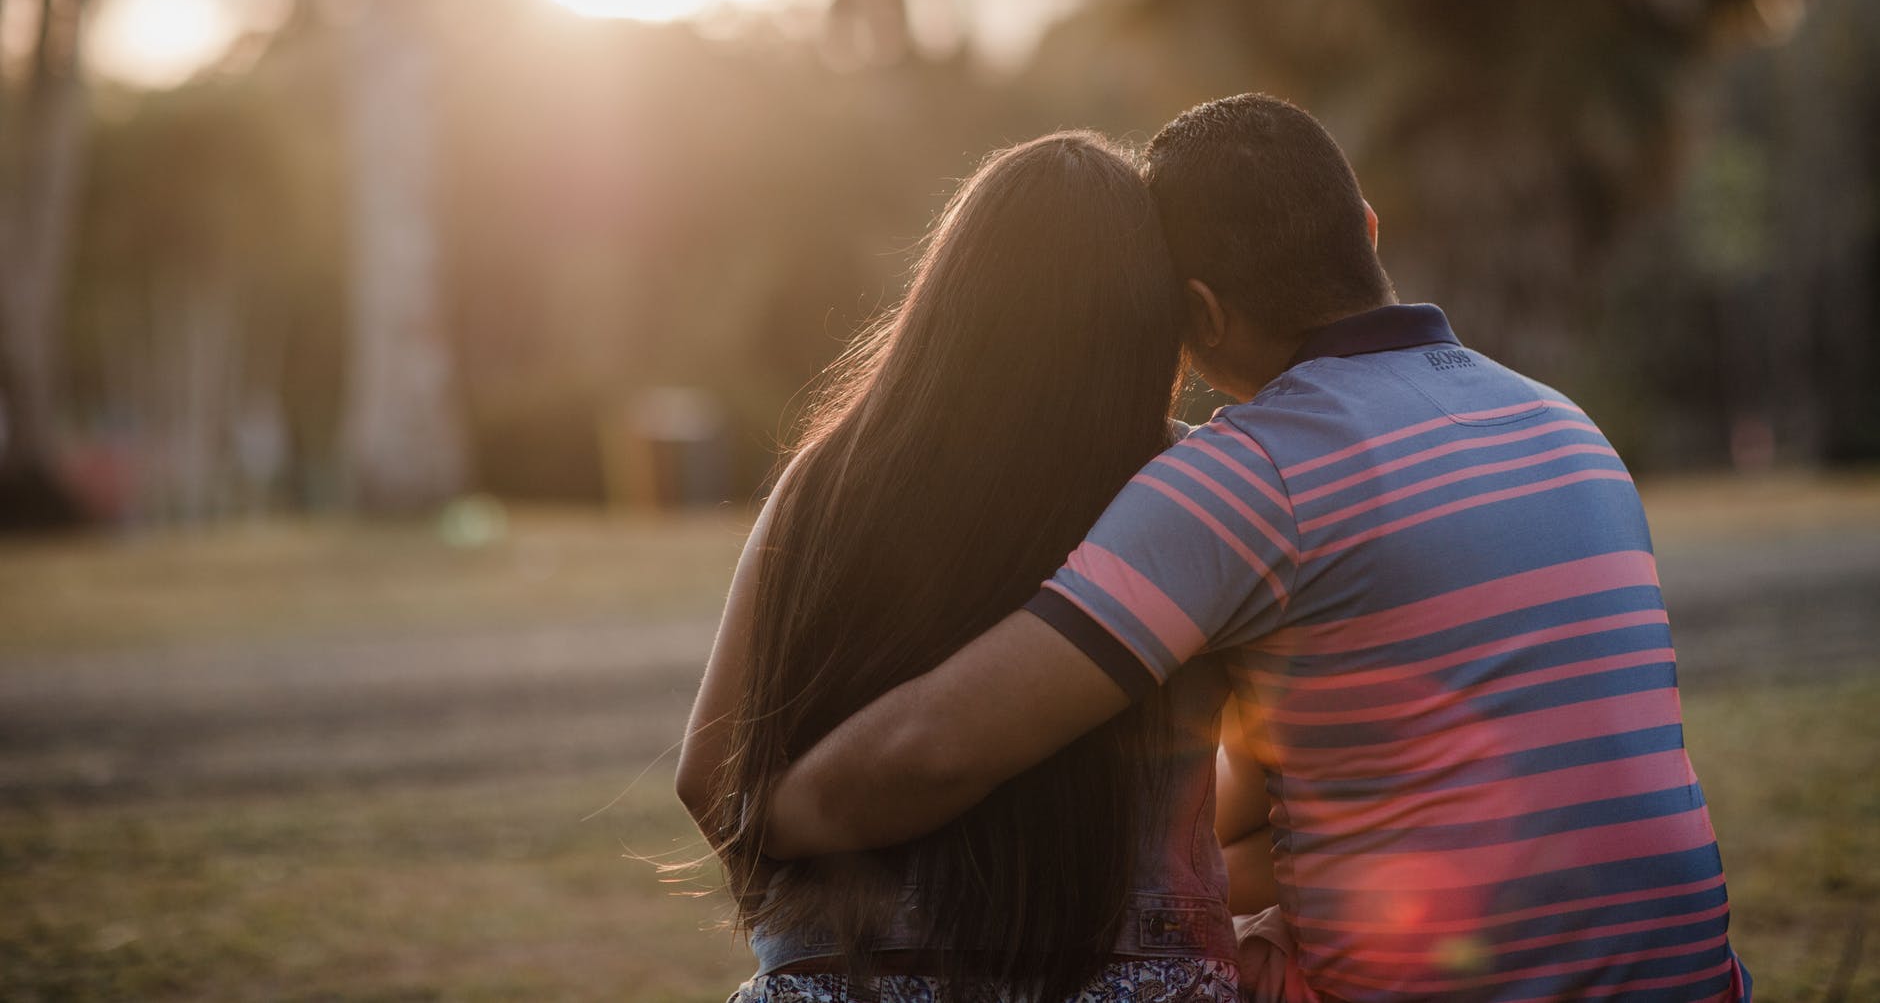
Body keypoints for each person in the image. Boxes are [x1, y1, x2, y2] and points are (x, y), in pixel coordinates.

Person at [763, 95, 1751, 1003]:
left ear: (1196, 315)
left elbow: (937, 748)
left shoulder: (1248, 476)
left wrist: (767, 819)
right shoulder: (1563, 426)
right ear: (1365, 225)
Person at [675, 131, 1250, 1002]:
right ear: (1149, 317)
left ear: (947, 295)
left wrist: (833, 915)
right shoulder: (1201, 491)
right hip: (1137, 976)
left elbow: (708, 776)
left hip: (838, 975)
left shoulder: (823, 482)